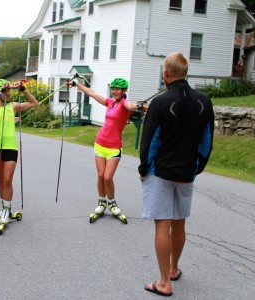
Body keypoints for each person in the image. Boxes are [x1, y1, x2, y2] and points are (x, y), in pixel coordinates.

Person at [138, 52, 214, 297]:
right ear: (186, 73)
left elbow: (149, 140)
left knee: (162, 224)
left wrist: (143, 168)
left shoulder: (160, 102)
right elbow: (207, 140)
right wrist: (197, 167)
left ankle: (163, 282)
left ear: (166, 73)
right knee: (179, 222)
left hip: (160, 171)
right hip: (187, 172)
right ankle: (173, 268)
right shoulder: (204, 101)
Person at [68, 78, 146, 220]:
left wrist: (139, 106)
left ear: (124, 91)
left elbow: (131, 106)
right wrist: (76, 84)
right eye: (113, 88)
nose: (114, 91)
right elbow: (91, 93)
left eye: (118, 89)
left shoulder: (124, 104)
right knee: (100, 175)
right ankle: (101, 202)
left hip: (114, 147)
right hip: (100, 143)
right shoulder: (110, 102)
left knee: (107, 177)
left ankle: (112, 203)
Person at [0, 79, 38, 224]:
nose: (9, 93)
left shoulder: (12, 106)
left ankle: (7, 209)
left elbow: (34, 104)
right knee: (0, 180)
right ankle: (4, 208)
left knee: (7, 179)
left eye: (9, 91)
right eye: (6, 91)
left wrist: (24, 90)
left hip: (10, 147)